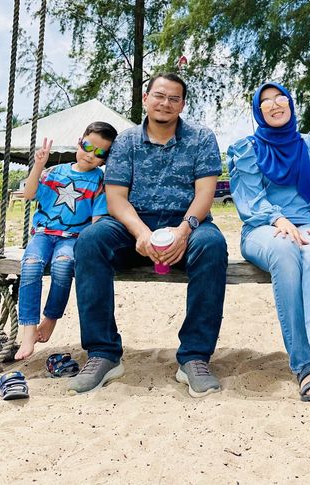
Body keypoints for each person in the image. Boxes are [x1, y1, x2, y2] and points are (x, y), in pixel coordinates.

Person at [68, 73, 228, 397]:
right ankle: (103, 354)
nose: (165, 103)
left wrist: (184, 231)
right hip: (134, 224)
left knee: (213, 246)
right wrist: (141, 233)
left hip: (188, 223)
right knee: (90, 241)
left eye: (173, 98)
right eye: (159, 96)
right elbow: (115, 198)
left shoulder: (201, 138)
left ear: (182, 104)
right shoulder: (125, 141)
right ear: (146, 97)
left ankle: (194, 357)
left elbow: (205, 194)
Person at [227, 82, 310, 403]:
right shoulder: (248, 149)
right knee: (285, 250)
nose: (274, 104)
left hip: (308, 226)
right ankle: (302, 365)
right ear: (259, 110)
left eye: (280, 98)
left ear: (290, 103)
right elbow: (250, 201)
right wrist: (278, 219)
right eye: (265, 101)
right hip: (263, 227)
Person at [15, 122, 118, 360]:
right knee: (30, 264)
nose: (91, 155)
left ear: (105, 159)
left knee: (63, 266)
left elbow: (98, 219)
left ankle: (50, 319)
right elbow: (30, 194)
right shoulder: (55, 172)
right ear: (79, 142)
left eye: (100, 153)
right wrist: (38, 164)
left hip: (73, 238)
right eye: (88, 146)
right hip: (42, 233)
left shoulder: (101, 182)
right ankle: (28, 330)